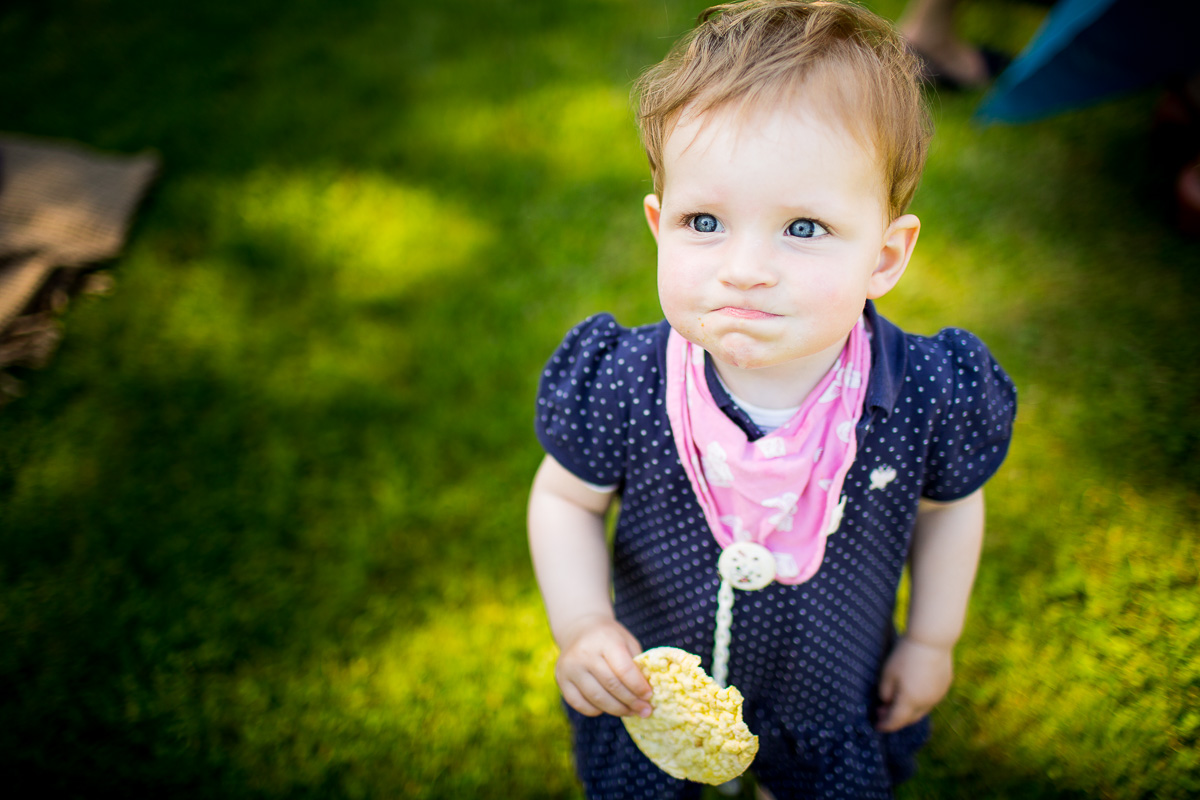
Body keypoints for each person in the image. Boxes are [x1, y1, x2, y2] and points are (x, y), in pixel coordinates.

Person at [527, 2, 1017, 798]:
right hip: (658, 694)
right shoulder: (626, 380)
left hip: (828, 691)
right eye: (706, 221)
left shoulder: (924, 393)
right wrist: (583, 623)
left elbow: (951, 508)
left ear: (885, 255)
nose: (746, 266)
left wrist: (931, 639)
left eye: (805, 228)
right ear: (659, 227)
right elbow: (565, 500)